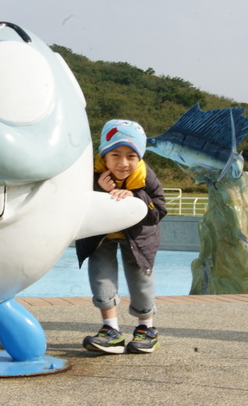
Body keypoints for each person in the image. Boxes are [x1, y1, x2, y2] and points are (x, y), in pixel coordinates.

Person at [76, 119, 167, 354]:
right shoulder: (88, 173)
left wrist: (137, 198)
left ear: (140, 157)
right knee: (101, 278)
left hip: (138, 237)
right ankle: (111, 330)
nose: (123, 162)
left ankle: (147, 329)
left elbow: (158, 211)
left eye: (131, 156)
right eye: (115, 154)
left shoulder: (146, 177)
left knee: (140, 280)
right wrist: (100, 190)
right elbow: (76, 202)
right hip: (100, 236)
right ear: (104, 156)